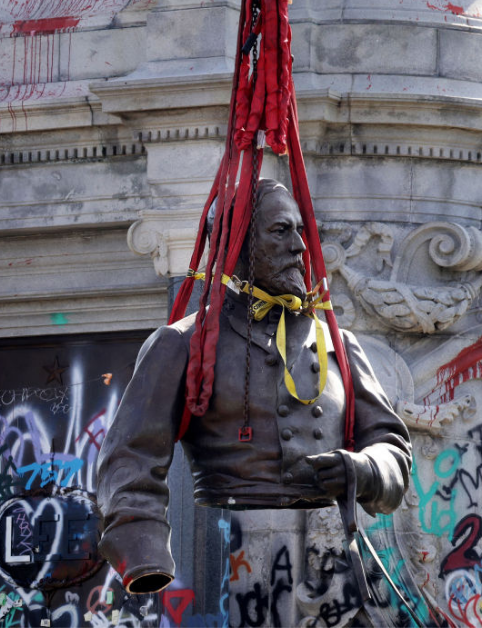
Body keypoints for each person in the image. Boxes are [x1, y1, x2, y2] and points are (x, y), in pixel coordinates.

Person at [96, 179, 412, 596]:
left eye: (300, 231)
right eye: (281, 231)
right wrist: (145, 556)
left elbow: (392, 446)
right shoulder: (181, 344)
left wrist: (365, 469)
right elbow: (130, 457)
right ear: (236, 244)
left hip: (331, 562)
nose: (299, 247)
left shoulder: (338, 343)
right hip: (224, 546)